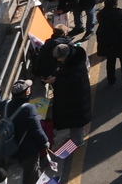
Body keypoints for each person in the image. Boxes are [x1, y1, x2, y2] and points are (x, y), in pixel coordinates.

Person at [0, 79, 49, 184]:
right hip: (29, 150)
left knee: (32, 171)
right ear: (27, 92)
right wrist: (45, 142)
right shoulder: (29, 109)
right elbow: (37, 130)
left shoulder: (6, 105)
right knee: (30, 175)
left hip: (13, 148)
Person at [49, 42, 92, 174]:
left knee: (75, 122)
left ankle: (78, 141)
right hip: (78, 99)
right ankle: (78, 136)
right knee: (77, 122)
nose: (58, 60)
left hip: (76, 101)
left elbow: (70, 84)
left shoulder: (75, 67)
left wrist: (56, 81)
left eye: (59, 58)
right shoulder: (76, 59)